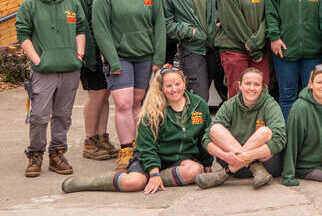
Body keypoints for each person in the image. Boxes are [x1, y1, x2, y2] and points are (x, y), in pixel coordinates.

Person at [61, 66, 212, 194]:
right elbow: (146, 146)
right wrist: (153, 172)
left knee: (194, 170)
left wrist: (207, 164)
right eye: (169, 86)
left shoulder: (199, 105)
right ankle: (85, 183)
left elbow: (204, 136)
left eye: (178, 84)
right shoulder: (153, 109)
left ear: (184, 83)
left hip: (179, 158)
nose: (174, 89)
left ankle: (151, 179)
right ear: (161, 88)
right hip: (151, 156)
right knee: (134, 183)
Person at [92, 0, 166, 171]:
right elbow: (100, 29)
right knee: (123, 103)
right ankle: (125, 149)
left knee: (137, 103)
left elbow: (159, 24)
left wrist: (158, 57)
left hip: (144, 55)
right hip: (120, 57)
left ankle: (138, 148)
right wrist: (112, 60)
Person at [18, 0, 86, 177]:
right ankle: (35, 154)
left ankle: (57, 153)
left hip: (70, 69)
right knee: (39, 115)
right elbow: (23, 35)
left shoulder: (72, 4)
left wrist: (79, 55)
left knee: (63, 115)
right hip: (44, 70)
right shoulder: (29, 5)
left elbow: (81, 29)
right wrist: (37, 61)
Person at [197, 67, 286, 188]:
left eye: (256, 84)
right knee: (215, 128)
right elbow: (207, 137)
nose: (252, 88)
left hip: (266, 163)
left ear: (262, 87)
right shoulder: (230, 104)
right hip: (232, 160)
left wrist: (246, 156)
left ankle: (224, 174)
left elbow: (280, 139)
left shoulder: (270, 105)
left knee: (265, 131)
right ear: (240, 85)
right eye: (247, 83)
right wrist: (224, 156)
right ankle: (254, 167)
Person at [71, 0, 119, 162]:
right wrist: (90, 54)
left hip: (110, 52)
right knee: (96, 95)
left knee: (106, 95)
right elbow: (79, 25)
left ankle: (102, 137)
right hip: (92, 54)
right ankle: (90, 140)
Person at [159, 0, 219, 101]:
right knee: (199, 97)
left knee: (219, 90)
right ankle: (196, 125)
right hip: (192, 48)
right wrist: (191, 31)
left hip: (213, 45)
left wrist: (218, 23)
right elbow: (166, 24)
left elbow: (218, 6)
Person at [216, 0, 271, 97]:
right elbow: (232, 21)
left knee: (262, 94)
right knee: (238, 95)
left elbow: (268, 15)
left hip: (259, 49)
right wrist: (252, 45)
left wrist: (257, 42)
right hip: (235, 50)